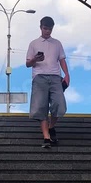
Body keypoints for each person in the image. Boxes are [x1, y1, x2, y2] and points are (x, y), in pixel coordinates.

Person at [26, 16, 70, 148]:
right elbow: (28, 64)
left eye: (50, 29)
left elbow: (62, 60)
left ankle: (51, 127)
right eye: (45, 29)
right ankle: (46, 137)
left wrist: (67, 74)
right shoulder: (33, 43)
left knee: (59, 105)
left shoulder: (57, 43)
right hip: (39, 77)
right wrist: (35, 59)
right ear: (41, 28)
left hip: (56, 77)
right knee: (41, 107)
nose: (47, 32)